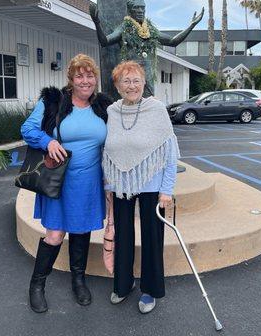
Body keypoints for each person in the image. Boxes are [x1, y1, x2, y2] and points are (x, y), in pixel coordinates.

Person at [21, 53, 113, 312]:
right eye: (79, 75)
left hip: (89, 182)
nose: (85, 80)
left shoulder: (103, 106)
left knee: (82, 231)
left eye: (90, 75)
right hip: (58, 181)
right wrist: (47, 142)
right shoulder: (53, 101)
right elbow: (28, 129)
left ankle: (78, 281)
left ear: (96, 78)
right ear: (71, 79)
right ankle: (37, 285)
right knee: (55, 235)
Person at [102, 60, 179, 314]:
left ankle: (150, 290)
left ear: (144, 83)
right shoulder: (112, 111)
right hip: (122, 185)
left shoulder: (156, 109)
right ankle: (123, 285)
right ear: (117, 85)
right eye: (126, 81)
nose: (131, 86)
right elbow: (110, 150)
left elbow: (170, 153)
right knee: (123, 235)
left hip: (152, 184)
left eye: (136, 80)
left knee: (152, 237)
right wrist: (111, 184)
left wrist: (166, 190)